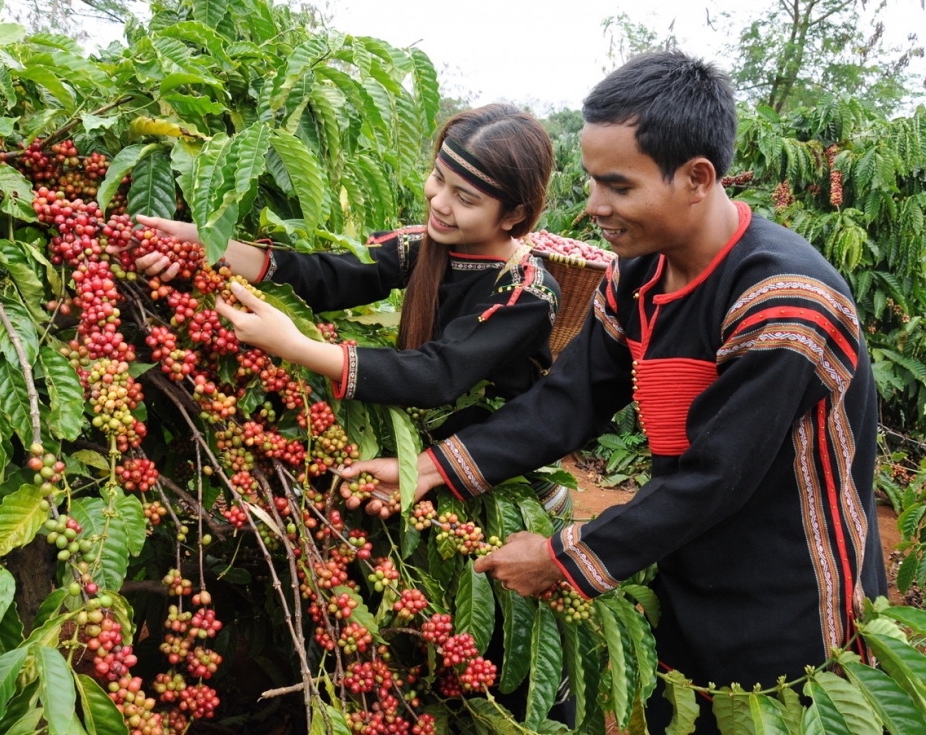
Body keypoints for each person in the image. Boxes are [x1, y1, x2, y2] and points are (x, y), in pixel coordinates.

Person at [340, 51, 887, 732]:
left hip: (791, 604)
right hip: (686, 567)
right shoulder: (637, 276)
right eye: (594, 180)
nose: (593, 205)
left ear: (696, 178)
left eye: (617, 186)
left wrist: (564, 557)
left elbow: (716, 476)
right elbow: (566, 401)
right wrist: (426, 469)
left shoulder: (784, 302)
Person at [125, 103, 571, 517]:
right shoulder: (425, 245)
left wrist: (296, 346)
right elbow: (328, 273)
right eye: (438, 178)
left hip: (493, 469)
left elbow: (436, 374)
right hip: (415, 450)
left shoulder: (527, 293)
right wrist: (210, 245)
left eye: (466, 198)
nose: (438, 201)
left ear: (514, 214)